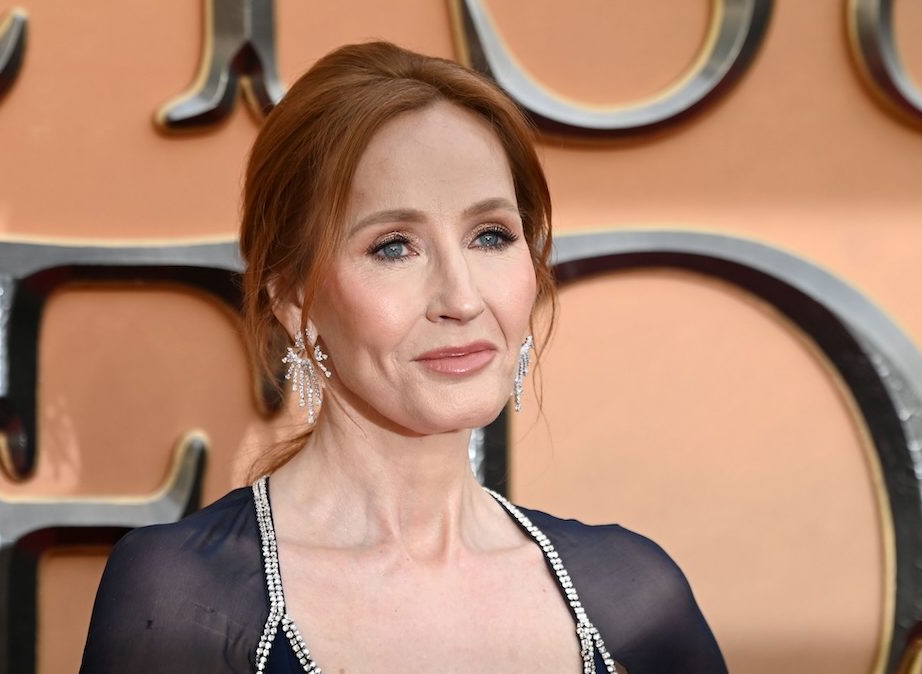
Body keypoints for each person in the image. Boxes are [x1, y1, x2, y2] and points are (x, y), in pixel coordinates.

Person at [79, 41, 726, 674]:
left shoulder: (635, 600)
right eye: (394, 246)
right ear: (296, 299)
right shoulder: (184, 598)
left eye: (491, 235)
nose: (462, 298)